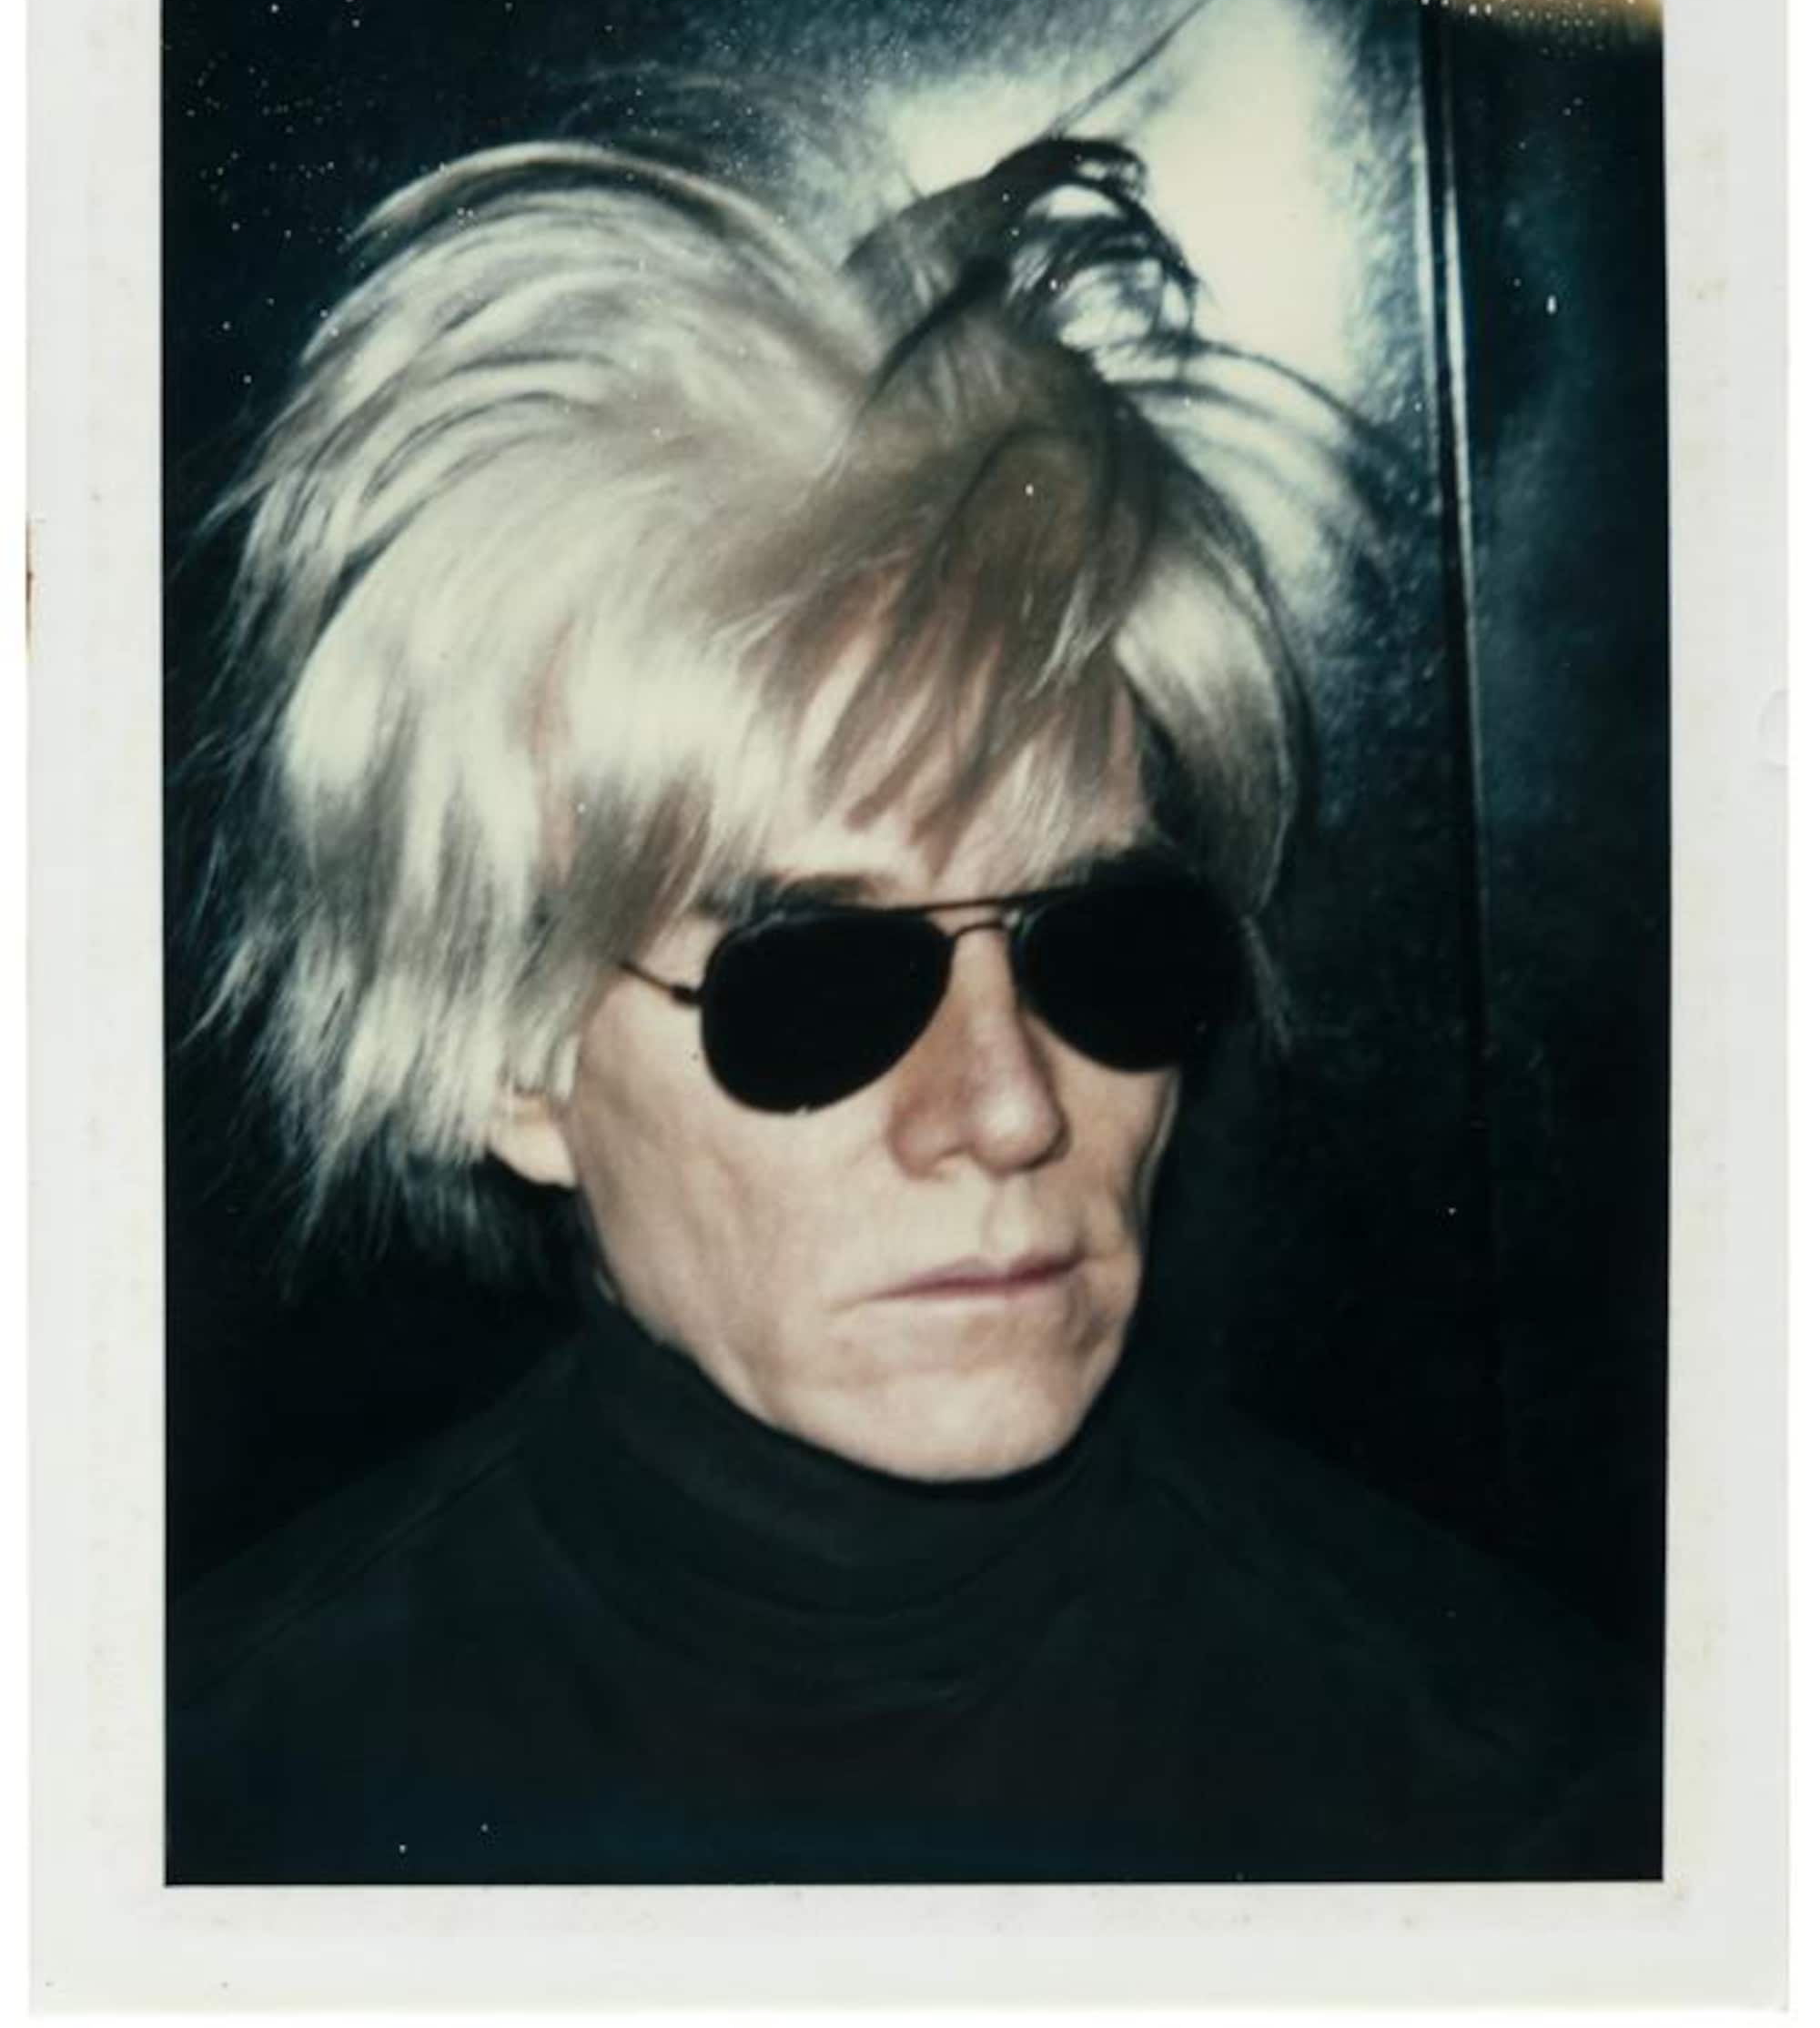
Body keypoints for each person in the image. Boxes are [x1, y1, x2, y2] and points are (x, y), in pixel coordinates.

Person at [167, 116, 1659, 1884]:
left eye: (1102, 946)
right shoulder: (198, 1819)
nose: (1010, 1105)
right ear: (509, 1052)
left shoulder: (1525, 1803)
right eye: (815, 983)